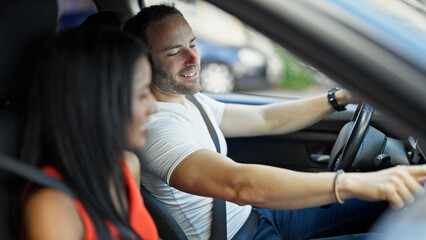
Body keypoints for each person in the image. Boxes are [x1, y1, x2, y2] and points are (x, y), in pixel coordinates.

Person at [124, 4, 426, 240]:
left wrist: (340, 98)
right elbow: (238, 184)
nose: (193, 58)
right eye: (175, 52)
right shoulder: (155, 128)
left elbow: (264, 118)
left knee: (397, 201)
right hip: (238, 235)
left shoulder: (188, 100)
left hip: (258, 216)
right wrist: (353, 182)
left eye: (192, 43)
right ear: (144, 63)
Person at [17, 28, 158, 240]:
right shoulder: (53, 206)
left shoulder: (126, 167)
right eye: (142, 94)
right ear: (99, 104)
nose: (153, 106)